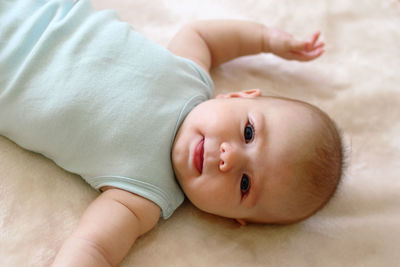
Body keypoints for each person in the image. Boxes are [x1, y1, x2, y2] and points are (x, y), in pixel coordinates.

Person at [0, 0, 343, 266]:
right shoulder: (190, 77)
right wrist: (267, 39)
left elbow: (95, 247)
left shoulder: (143, 197)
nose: (229, 157)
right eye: (249, 132)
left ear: (230, 218)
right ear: (237, 96)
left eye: (244, 184)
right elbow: (206, 35)